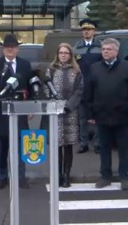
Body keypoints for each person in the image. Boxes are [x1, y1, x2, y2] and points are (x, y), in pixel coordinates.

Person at [84, 37, 128, 190]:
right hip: (102, 115)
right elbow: (89, 93)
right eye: (103, 49)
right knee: (104, 147)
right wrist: (90, 114)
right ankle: (105, 176)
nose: (105, 52)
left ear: (116, 51)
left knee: (124, 148)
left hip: (122, 115)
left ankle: (124, 177)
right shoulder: (95, 68)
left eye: (109, 49)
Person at [0, 34, 33, 190]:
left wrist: (30, 109)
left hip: (21, 111)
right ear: (3, 49)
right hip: (2, 111)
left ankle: (20, 177)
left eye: (13, 47)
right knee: (3, 146)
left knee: (21, 145)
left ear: (18, 49)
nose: (10, 49)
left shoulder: (25, 65)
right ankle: (2, 176)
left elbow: (30, 88)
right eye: (7, 47)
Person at [44, 42, 83, 188]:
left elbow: (79, 91)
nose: (63, 55)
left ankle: (67, 175)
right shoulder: (51, 70)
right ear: (57, 54)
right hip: (55, 113)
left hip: (70, 112)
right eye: (61, 53)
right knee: (56, 145)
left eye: (66, 53)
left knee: (67, 145)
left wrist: (68, 105)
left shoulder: (76, 71)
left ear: (70, 55)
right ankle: (57, 174)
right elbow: (46, 88)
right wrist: (55, 104)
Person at [73, 18, 101, 154]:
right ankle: (83, 142)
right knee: (82, 117)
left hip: (98, 87)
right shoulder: (76, 48)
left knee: (97, 116)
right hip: (82, 86)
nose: (86, 32)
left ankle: (97, 143)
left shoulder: (101, 46)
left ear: (94, 31)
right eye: (84, 30)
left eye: (89, 30)